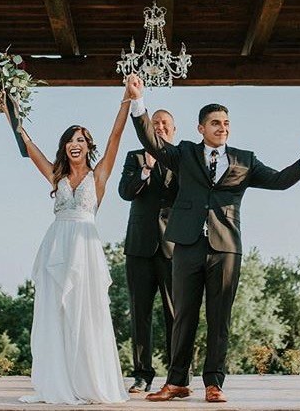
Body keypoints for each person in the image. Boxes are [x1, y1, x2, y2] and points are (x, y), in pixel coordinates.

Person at [125, 74, 300, 403]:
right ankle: (176, 382)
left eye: (227, 123)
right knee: (183, 316)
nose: (223, 128)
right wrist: (138, 102)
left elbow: (277, 180)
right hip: (187, 245)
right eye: (216, 123)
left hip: (226, 248)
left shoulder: (245, 160)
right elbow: (153, 142)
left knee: (220, 318)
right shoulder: (185, 153)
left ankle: (214, 383)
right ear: (201, 128)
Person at [13, 89, 132, 405]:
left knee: (86, 314)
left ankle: (89, 381)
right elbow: (28, 145)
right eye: (71, 139)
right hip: (57, 247)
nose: (75, 144)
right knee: (57, 314)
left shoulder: (100, 174)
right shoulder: (56, 174)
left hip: (86, 248)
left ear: (87, 146)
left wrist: (127, 98)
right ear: (65, 146)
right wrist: (8, 106)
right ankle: (59, 381)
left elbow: (115, 135)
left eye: (81, 139)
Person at [118, 109, 178, 394]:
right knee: (139, 313)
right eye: (156, 124)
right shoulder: (135, 157)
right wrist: (147, 168)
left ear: (174, 130)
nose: (161, 127)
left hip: (173, 248)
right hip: (139, 247)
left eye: (166, 124)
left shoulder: (183, 158)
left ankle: (178, 376)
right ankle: (142, 375)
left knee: (175, 314)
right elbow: (125, 192)